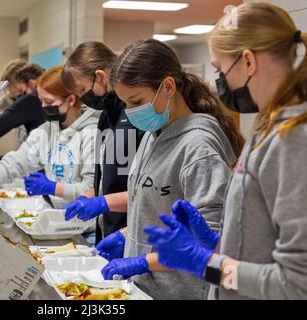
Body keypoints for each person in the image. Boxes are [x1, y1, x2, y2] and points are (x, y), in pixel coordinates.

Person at [144, 2, 307, 300]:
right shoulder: (269, 128)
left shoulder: (293, 139)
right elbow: (261, 245)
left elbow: (296, 284)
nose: (219, 82)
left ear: (248, 61)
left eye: (220, 69)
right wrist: (216, 244)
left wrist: (205, 263)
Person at [80, 38, 244, 300]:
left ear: (168, 87)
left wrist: (144, 261)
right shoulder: (153, 133)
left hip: (180, 291)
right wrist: (127, 235)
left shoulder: (199, 148)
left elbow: (208, 244)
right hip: (146, 289)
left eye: (136, 101)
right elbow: (156, 204)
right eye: (125, 104)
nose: (130, 112)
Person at [61, 41, 145, 242]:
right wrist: (89, 197)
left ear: (100, 76)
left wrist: (103, 203)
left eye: (83, 90)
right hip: (108, 228)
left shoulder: (138, 115)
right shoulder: (106, 117)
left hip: (134, 230)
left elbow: (148, 189)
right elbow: (107, 178)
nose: (84, 99)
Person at [0, 66, 101, 208]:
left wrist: (53, 188)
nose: (43, 107)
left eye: (49, 102)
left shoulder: (92, 134)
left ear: (70, 100)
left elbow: (91, 188)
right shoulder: (46, 131)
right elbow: (15, 162)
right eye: (41, 101)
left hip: (84, 223)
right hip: (57, 218)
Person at [0, 64, 46, 146]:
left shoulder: (31, 99)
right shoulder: (18, 97)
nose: (19, 98)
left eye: (21, 92)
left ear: (31, 83)